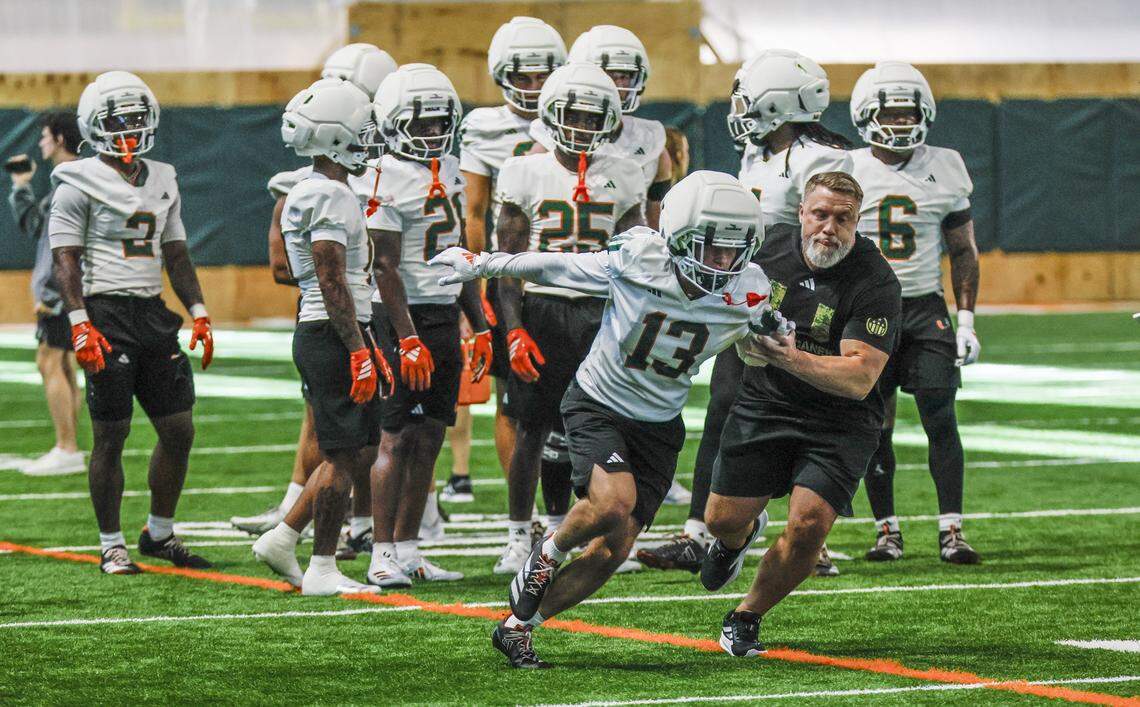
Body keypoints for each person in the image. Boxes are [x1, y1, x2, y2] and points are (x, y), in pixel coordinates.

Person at [430, 170, 778, 668]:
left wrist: (773, 342)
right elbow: (557, 267)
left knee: (613, 550)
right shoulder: (641, 257)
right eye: (710, 248)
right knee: (614, 503)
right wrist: (483, 263)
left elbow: (758, 342)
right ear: (677, 236)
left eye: (733, 250)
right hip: (599, 401)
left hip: (660, 424)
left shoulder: (750, 290)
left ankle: (518, 626)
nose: (722, 262)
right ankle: (545, 552)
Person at [639, 48, 853, 576]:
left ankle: (809, 537)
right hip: (749, 295)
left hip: (799, 301)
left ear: (780, 103)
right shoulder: (759, 155)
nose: (743, 111)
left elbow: (819, 239)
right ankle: (698, 532)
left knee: (796, 414)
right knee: (724, 404)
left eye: (751, 100)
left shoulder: (821, 160)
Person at [698, 171, 902, 657]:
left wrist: (788, 356)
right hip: (766, 402)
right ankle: (736, 539)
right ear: (801, 214)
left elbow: (859, 377)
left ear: (857, 222)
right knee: (721, 520)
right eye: (820, 214)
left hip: (841, 420)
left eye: (843, 218)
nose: (829, 227)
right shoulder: (763, 252)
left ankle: (746, 615)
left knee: (809, 525)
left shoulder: (876, 281)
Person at [230, 44, 396, 549]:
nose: (369, 139)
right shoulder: (325, 193)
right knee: (344, 455)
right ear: (334, 136)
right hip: (331, 330)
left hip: (338, 326)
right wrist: (358, 349)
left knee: (356, 450)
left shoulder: (327, 189)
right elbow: (330, 281)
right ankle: (316, 559)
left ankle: (285, 536)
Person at [49, 71, 215, 574]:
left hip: (151, 312)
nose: (129, 130)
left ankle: (159, 533)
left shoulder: (163, 176)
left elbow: (177, 252)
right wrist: (79, 321)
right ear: (93, 125)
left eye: (137, 119)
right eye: (118, 121)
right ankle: (110, 542)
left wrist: (200, 311)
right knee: (111, 435)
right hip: (104, 313)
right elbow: (65, 259)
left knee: (179, 428)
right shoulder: (75, 180)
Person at [489, 62, 645, 576]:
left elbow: (636, 261)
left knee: (602, 422)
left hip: (601, 312)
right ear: (552, 114)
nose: (581, 124)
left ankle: (598, 530)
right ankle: (518, 536)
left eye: (592, 115)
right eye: (572, 113)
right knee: (532, 426)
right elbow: (507, 264)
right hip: (541, 308)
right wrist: (512, 329)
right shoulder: (522, 170)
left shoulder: (625, 172)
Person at [364, 63, 492, 587]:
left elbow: (457, 254)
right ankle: (379, 552)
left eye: (440, 123)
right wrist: (408, 337)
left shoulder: (453, 169)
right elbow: (384, 266)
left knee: (432, 436)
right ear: (392, 125)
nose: (433, 133)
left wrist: (478, 323)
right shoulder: (382, 175)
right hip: (402, 318)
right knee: (395, 436)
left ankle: (410, 548)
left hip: (442, 315)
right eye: (420, 125)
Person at [849, 62, 982, 564]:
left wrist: (966, 320)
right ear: (866, 115)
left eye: (909, 112)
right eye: (892, 112)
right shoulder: (847, 166)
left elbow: (963, 249)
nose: (902, 123)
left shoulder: (945, 163)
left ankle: (953, 530)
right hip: (869, 308)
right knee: (873, 423)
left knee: (939, 413)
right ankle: (888, 530)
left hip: (926, 306)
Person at [448, 17, 567, 504]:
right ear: (502, 74)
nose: (535, 87)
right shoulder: (485, 126)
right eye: (525, 76)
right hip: (511, 272)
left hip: (566, 266)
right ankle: (527, 513)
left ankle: (576, 503)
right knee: (512, 399)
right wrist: (481, 280)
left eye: (543, 76)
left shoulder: (576, 113)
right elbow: (474, 213)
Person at [6, 113, 83, 476]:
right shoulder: (72, 181)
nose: (40, 143)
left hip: (63, 291)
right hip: (69, 290)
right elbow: (38, 224)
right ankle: (69, 446)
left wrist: (53, 292)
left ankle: (67, 447)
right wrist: (21, 185)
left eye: (44, 136)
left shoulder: (70, 182)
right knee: (62, 363)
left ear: (59, 138)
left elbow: (63, 246)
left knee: (49, 361)